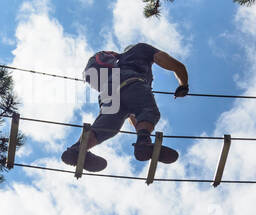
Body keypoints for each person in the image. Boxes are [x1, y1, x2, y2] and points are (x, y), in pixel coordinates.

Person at [60, 42, 189, 172]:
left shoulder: (118, 63)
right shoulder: (141, 49)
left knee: (109, 125)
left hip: (109, 91)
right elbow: (163, 59)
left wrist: (141, 133)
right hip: (132, 82)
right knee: (148, 110)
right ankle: (143, 142)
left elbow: (133, 112)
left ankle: (77, 149)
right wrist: (183, 82)